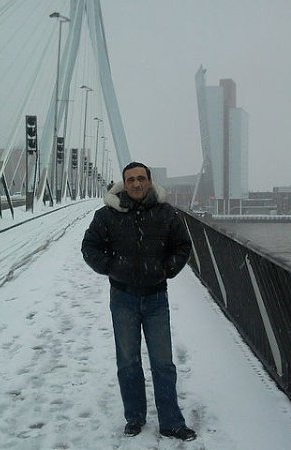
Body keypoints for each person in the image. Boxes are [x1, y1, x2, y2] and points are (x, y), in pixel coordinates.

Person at [81, 162, 197, 442]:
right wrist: (111, 267)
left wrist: (167, 269)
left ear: (149, 181)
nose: (136, 184)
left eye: (141, 179)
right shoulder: (107, 215)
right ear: (124, 183)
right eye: (131, 179)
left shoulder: (166, 213)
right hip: (123, 298)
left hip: (156, 297)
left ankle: (171, 422)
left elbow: (183, 246)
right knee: (128, 362)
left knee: (163, 363)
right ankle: (134, 418)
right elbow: (89, 247)